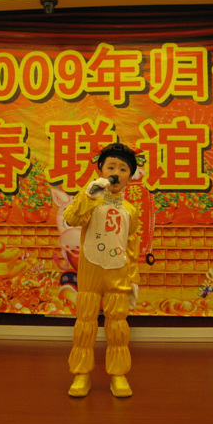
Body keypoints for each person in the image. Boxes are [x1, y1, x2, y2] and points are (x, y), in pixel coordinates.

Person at [64, 142, 142, 398]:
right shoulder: (91, 200)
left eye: (123, 169)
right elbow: (71, 218)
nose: (116, 173)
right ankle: (81, 374)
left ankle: (118, 374)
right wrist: (88, 195)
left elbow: (131, 247)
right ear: (101, 170)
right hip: (90, 273)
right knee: (85, 325)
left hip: (117, 273)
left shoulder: (130, 211)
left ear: (130, 177)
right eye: (111, 167)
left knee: (118, 327)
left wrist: (133, 279)